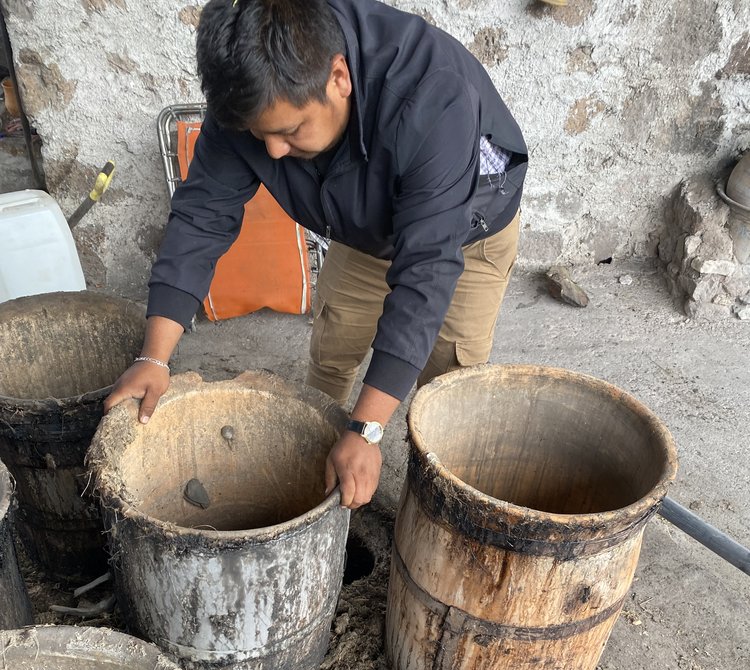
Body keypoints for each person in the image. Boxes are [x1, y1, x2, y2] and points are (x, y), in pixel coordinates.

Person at [104, 0, 527, 510]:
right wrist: (154, 357)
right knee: (336, 341)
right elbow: (201, 217)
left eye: (290, 131)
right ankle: (320, 472)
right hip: (363, 228)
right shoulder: (247, 100)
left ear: (338, 77)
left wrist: (369, 430)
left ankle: (433, 510)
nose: (275, 152)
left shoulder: (432, 97)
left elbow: (427, 274)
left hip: (465, 233)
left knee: (446, 382)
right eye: (262, 136)